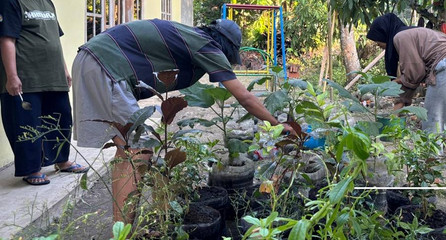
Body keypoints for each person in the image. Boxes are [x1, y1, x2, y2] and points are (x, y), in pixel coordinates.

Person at [71, 18, 295, 223]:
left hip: (96, 60)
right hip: (105, 65)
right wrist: (278, 125)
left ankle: (126, 227)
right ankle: (122, 231)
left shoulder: (191, 38)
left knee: (130, 151)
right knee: (137, 152)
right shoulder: (206, 45)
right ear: (226, 48)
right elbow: (244, 97)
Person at [0, 0, 87, 186]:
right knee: (26, 124)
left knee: (60, 119)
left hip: (53, 75)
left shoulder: (46, 2)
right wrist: (12, 76)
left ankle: (62, 160)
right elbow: (7, 39)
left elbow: (53, 39)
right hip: (26, 76)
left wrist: (64, 69)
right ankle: (32, 168)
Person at [366, 13, 446, 197]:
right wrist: (401, 98)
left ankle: (430, 179)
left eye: (379, 44)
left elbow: (413, 74)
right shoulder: (413, 33)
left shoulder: (400, 37)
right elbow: (413, 76)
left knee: (431, 123)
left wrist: (397, 104)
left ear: (384, 34)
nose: (381, 47)